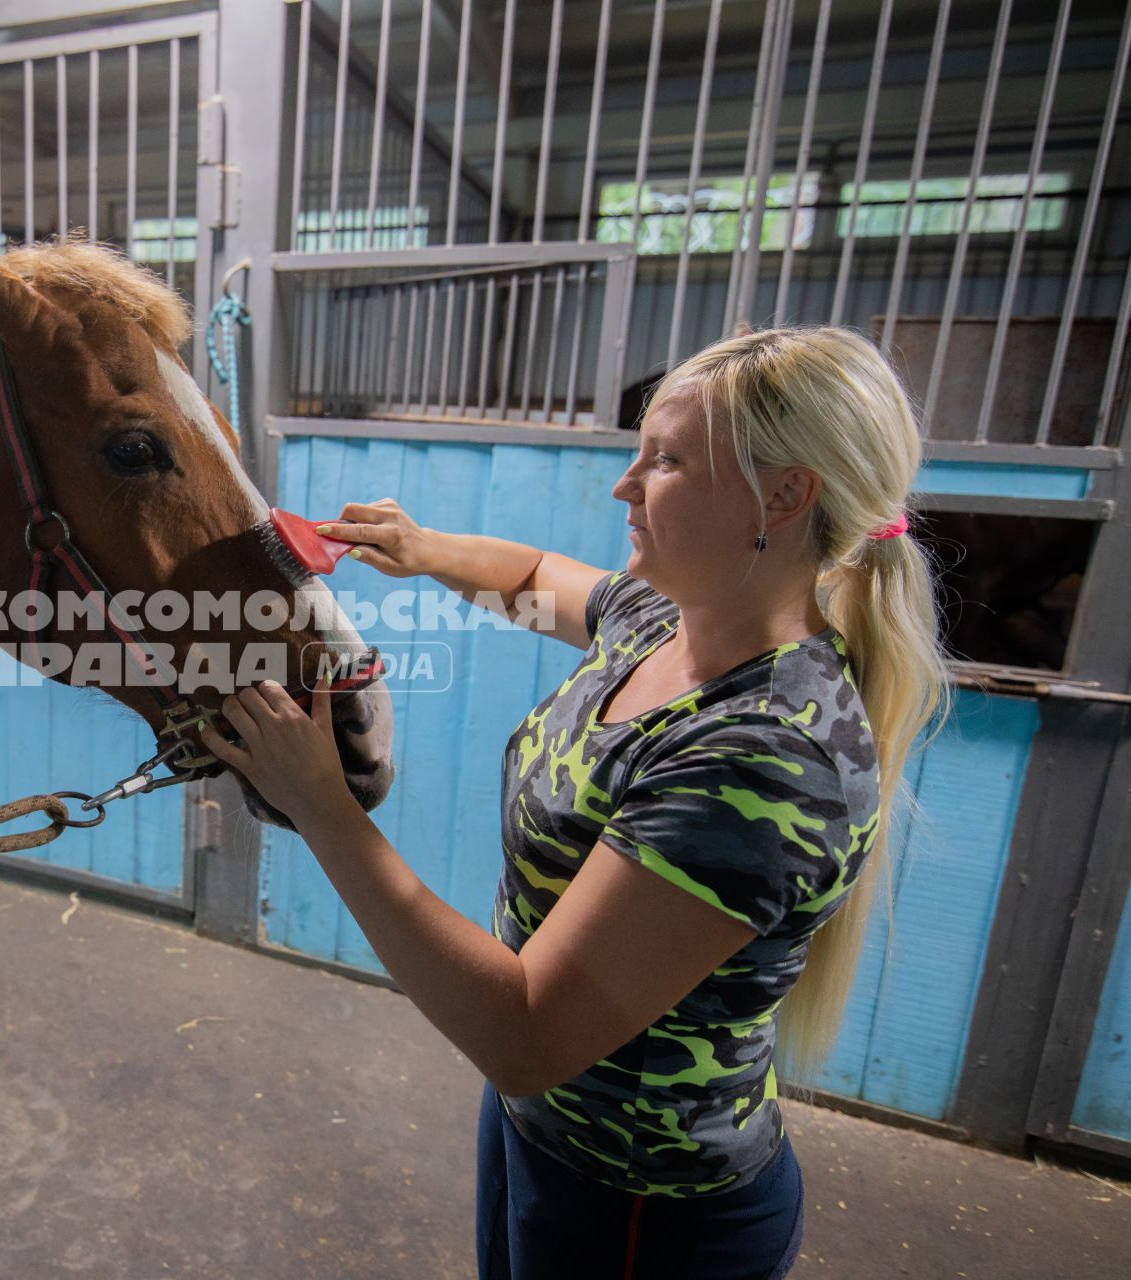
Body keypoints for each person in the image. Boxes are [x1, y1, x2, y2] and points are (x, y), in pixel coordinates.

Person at [196, 326, 952, 1280]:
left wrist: (324, 810)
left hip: (640, 1204)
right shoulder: (662, 623)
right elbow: (534, 577)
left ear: (786, 494)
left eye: (667, 461)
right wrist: (423, 550)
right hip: (544, 1132)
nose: (624, 487)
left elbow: (525, 1036)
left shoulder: (761, 756)